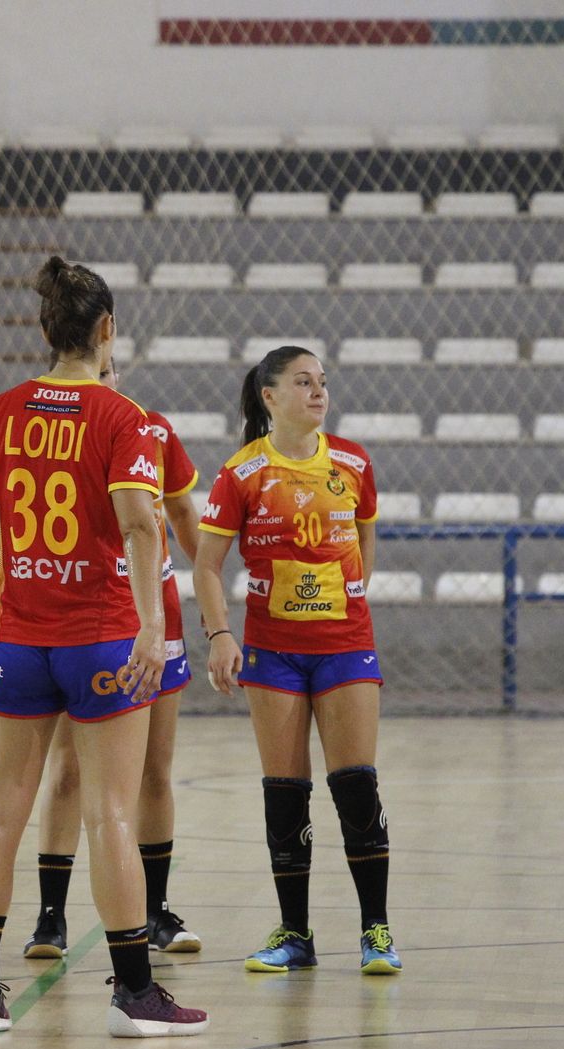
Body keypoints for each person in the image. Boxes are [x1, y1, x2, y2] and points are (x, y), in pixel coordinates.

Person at [0, 257, 209, 1039]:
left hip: (14, 640)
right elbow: (142, 524)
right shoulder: (123, 418)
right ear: (107, 330)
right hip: (101, 641)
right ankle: (133, 995)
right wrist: (154, 626)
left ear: (45, 330)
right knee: (110, 813)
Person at [192, 345, 402, 976]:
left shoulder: (353, 461)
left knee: (355, 786)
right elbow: (206, 565)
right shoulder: (242, 473)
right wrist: (220, 635)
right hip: (273, 651)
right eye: (303, 382)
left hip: (343, 645)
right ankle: (295, 934)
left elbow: (365, 532)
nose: (318, 392)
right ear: (270, 396)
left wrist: (351, 590)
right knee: (286, 793)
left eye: (323, 383)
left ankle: (377, 932)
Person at [23, 358, 204, 960]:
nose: (105, 378)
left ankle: (155, 911)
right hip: (90, 618)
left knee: (155, 770)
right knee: (69, 769)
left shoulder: (150, 429)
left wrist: (212, 591)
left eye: (111, 370)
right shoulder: (56, 430)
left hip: (157, 615)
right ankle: (50, 917)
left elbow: (180, 514)